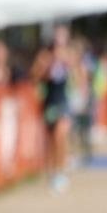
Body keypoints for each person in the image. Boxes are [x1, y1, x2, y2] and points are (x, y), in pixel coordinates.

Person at [30, 24, 75, 192]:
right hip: (49, 99)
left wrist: (69, 64)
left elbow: (80, 74)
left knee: (60, 135)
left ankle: (60, 171)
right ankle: (52, 170)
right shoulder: (45, 55)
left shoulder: (69, 55)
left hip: (64, 100)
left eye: (62, 36)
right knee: (50, 139)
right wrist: (45, 68)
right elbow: (34, 76)